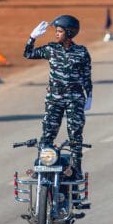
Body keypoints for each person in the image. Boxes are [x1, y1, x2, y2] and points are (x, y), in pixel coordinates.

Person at [24, 15, 93, 178]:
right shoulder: (51, 49)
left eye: (60, 31)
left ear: (69, 33)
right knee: (48, 133)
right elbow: (28, 54)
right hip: (54, 99)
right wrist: (32, 38)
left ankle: (76, 170)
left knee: (75, 134)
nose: (56, 34)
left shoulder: (81, 52)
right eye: (56, 31)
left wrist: (89, 96)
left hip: (74, 100)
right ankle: (42, 166)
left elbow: (86, 76)